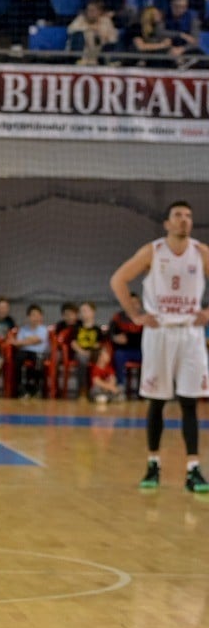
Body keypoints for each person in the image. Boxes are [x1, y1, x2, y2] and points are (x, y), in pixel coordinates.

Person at [110, 200, 209, 492]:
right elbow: (119, 279)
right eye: (178, 215)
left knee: (191, 401)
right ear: (167, 223)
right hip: (160, 332)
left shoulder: (200, 252)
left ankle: (193, 469)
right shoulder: (153, 251)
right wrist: (135, 315)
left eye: (188, 216)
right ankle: (153, 464)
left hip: (190, 333)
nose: (184, 220)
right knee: (157, 400)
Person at [10, 303, 49, 397]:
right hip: (24, 352)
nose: (35, 318)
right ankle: (19, 388)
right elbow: (17, 344)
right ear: (28, 317)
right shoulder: (23, 329)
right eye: (32, 315)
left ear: (41, 317)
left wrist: (24, 341)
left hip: (38, 353)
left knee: (38, 362)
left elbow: (38, 340)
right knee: (17, 359)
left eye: (37, 315)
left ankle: (35, 387)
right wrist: (30, 340)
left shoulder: (43, 329)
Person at [108, 292, 143, 392]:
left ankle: (143, 389)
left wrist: (128, 339)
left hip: (140, 351)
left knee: (150, 358)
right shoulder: (117, 318)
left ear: (140, 305)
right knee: (118, 355)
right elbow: (110, 334)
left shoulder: (144, 319)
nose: (133, 305)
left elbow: (144, 339)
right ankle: (120, 386)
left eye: (135, 303)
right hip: (124, 352)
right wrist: (115, 338)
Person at [67, 0, 119, 64]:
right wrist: (89, 30)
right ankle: (77, 61)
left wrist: (100, 35)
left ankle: (110, 62)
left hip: (100, 52)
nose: (91, 13)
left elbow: (113, 38)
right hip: (83, 53)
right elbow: (70, 30)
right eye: (89, 10)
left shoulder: (106, 21)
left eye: (93, 11)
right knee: (79, 35)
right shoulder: (81, 19)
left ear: (99, 12)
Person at [71, 301, 103, 396]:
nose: (83, 313)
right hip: (80, 352)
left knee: (102, 359)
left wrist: (91, 352)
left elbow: (98, 344)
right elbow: (73, 343)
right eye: (81, 311)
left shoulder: (97, 329)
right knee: (82, 359)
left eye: (86, 310)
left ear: (93, 312)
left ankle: (98, 387)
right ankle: (82, 388)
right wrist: (82, 352)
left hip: (93, 353)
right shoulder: (76, 327)